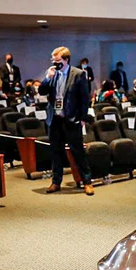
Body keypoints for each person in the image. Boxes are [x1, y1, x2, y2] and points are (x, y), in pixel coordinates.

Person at [38, 46, 94, 196]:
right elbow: (41, 91)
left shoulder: (78, 74)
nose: (55, 63)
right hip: (55, 119)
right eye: (53, 60)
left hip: (71, 119)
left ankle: (87, 182)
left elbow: (84, 98)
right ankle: (56, 182)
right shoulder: (52, 74)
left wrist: (82, 118)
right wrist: (47, 78)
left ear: (66, 60)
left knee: (78, 152)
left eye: (57, 60)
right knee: (56, 152)